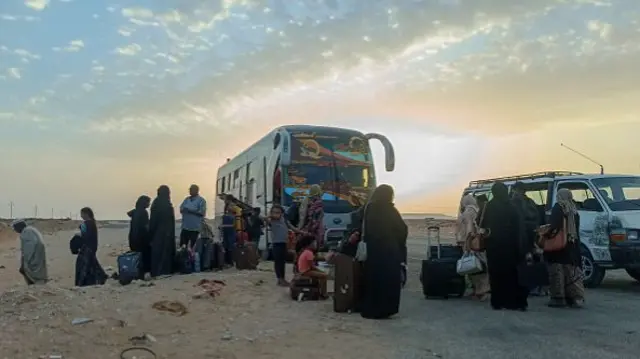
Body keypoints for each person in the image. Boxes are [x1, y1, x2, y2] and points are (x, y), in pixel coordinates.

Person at [360, 184, 408, 319]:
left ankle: (371, 309)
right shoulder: (390, 210)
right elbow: (402, 229)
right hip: (390, 251)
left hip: (374, 250)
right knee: (388, 280)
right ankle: (386, 309)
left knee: (374, 280)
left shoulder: (369, 208)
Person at [481, 182, 528, 311]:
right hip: (510, 246)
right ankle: (512, 302)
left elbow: (482, 222)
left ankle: (497, 302)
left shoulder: (489, 206)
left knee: (495, 274)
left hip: (494, 246)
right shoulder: (512, 206)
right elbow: (519, 227)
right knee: (511, 274)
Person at [544, 188, 584, 308]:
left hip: (559, 245)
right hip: (571, 244)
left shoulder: (558, 207)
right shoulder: (573, 209)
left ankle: (558, 298)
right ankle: (573, 297)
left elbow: (554, 226)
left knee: (557, 270)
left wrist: (545, 234)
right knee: (570, 271)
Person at [457, 194, 490, 301]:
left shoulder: (468, 212)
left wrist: (467, 243)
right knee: (477, 266)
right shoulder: (475, 210)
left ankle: (481, 292)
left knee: (474, 267)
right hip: (475, 243)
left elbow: (469, 229)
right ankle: (479, 290)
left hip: (470, 243)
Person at [267, 205, 301, 286]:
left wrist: (302, 232)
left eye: (278, 212)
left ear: (282, 213)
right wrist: (270, 215)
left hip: (284, 243)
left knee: (282, 262)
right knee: (278, 262)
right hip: (276, 244)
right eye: (274, 212)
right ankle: (280, 279)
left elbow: (293, 228)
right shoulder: (272, 220)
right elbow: (264, 218)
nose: (276, 214)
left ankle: (282, 279)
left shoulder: (284, 220)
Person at [75, 207, 108, 287]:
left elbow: (86, 236)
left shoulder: (88, 223)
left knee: (85, 265)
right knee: (92, 264)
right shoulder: (91, 223)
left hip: (87, 247)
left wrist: (79, 236)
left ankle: (83, 283)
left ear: (86, 214)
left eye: (82, 214)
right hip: (91, 247)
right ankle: (100, 278)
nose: (81, 215)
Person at [149, 185, 176, 277]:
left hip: (159, 232)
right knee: (164, 252)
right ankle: (163, 271)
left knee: (159, 252)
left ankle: (159, 271)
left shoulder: (156, 203)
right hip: (164, 232)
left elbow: (153, 220)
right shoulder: (166, 203)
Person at [12, 219, 47, 285]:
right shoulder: (31, 229)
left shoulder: (26, 232)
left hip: (33, 258)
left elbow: (29, 249)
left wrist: (25, 261)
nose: (15, 230)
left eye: (15, 228)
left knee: (32, 274)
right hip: (37, 256)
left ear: (19, 226)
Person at [127, 195, 152, 278]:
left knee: (136, 257)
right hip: (142, 238)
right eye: (148, 202)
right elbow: (146, 227)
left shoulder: (135, 212)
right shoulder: (144, 212)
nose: (149, 204)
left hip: (133, 238)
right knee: (145, 256)